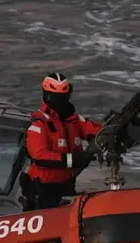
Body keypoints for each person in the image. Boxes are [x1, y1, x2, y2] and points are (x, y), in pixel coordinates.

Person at [21, 72, 103, 210]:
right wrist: (73, 159)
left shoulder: (75, 120)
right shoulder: (39, 125)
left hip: (66, 187)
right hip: (43, 191)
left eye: (63, 97)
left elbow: (98, 131)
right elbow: (40, 156)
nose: (60, 102)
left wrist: (118, 127)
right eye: (56, 97)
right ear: (46, 95)